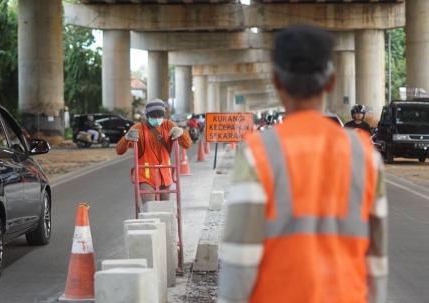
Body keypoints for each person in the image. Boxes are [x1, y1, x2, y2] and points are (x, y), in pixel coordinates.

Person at [218, 24, 388, 303]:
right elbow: (376, 261)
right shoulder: (366, 156)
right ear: (331, 81)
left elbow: (240, 258)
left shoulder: (257, 153)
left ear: (275, 80)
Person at [116, 98, 192, 203]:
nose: (157, 119)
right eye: (154, 116)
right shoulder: (138, 128)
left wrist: (182, 133)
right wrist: (126, 138)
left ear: (163, 115)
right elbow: (119, 151)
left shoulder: (168, 125)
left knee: (165, 209)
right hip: (146, 178)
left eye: (159, 116)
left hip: (165, 176)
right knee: (150, 207)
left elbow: (187, 145)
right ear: (147, 116)